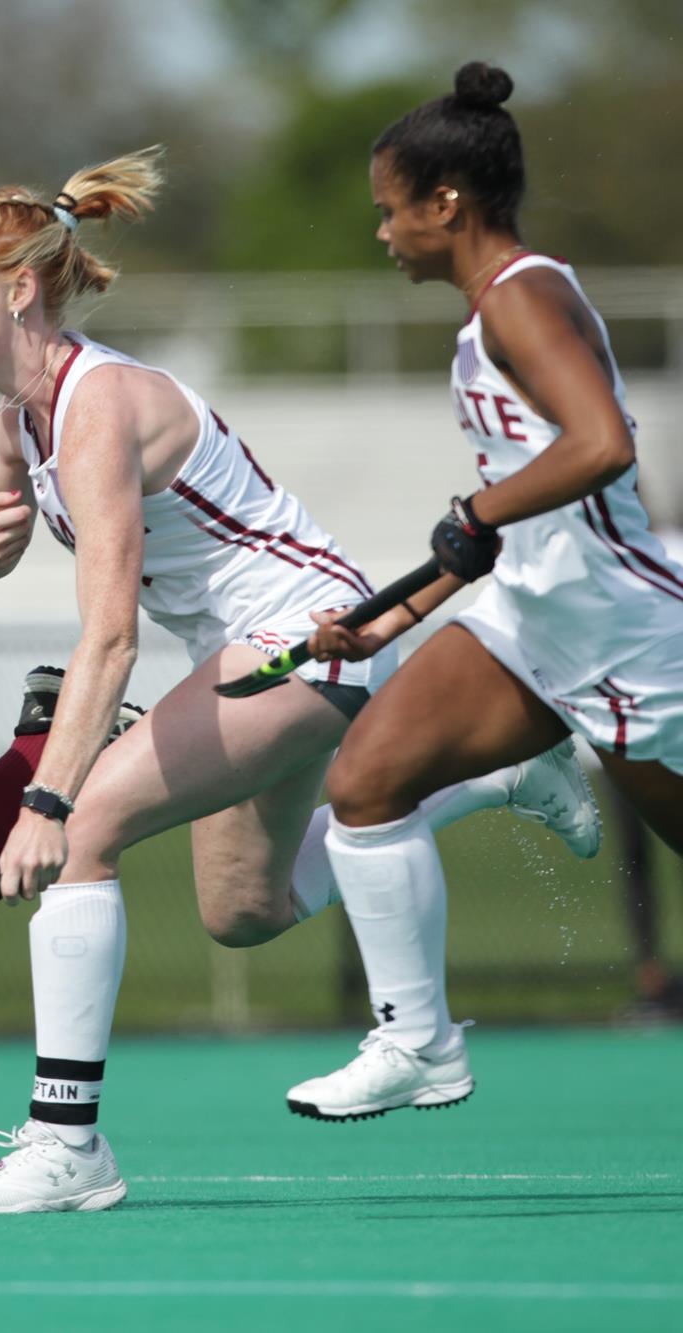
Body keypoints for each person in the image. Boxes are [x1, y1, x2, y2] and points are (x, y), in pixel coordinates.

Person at [0, 146, 600, 1215]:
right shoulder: (18, 420)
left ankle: (64, 1143)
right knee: (245, 909)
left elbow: (106, 641)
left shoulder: (99, 409)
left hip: (304, 637)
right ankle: (502, 776)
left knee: (86, 828)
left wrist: (47, 800)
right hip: (240, 656)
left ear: (16, 288)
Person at [286, 63, 683, 1116]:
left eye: (388, 210)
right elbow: (499, 519)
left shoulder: (521, 298)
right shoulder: (486, 320)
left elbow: (599, 446)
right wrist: (387, 618)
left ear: (444, 204)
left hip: (623, 632)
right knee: (362, 786)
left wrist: (483, 511)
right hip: (532, 621)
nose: (381, 233)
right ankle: (416, 1043)